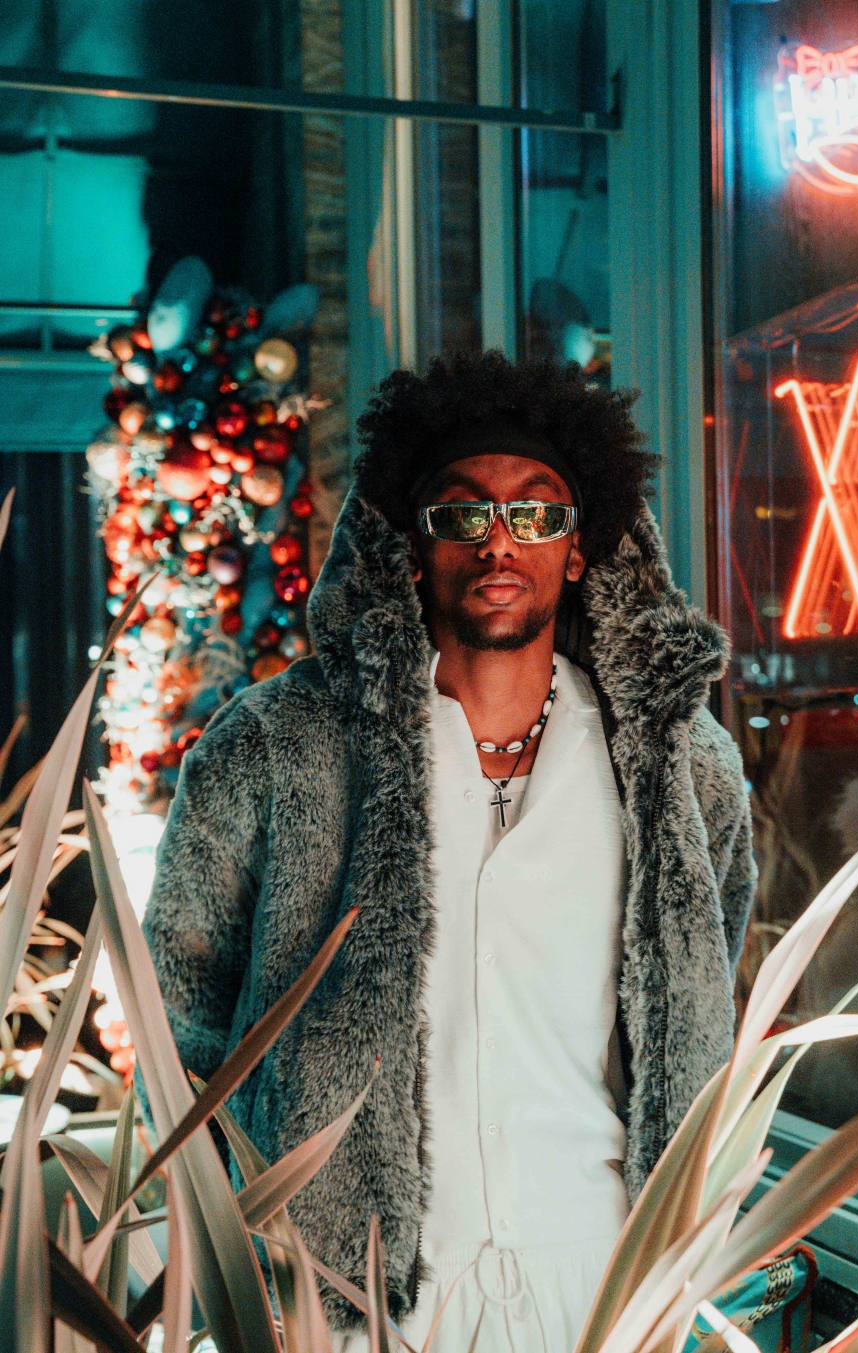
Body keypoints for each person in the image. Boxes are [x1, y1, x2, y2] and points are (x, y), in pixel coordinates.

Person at [144, 351, 756, 1351]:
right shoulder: (276, 748)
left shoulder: (681, 768)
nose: (499, 541)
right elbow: (180, 1012)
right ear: (413, 547)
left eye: (537, 513)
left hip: (604, 1274)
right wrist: (231, 1256)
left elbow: (701, 991)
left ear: (579, 549)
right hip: (354, 1294)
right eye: (462, 513)